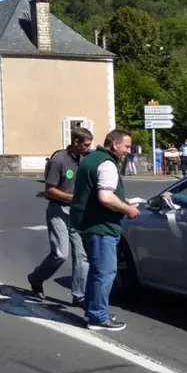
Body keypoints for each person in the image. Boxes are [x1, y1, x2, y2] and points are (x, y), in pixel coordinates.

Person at [70, 129, 140, 331]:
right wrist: (127, 209)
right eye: (126, 146)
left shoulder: (91, 158)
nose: (128, 151)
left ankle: (92, 310)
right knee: (105, 272)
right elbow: (105, 197)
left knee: (96, 270)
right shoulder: (107, 164)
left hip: (85, 222)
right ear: (114, 145)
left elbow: (94, 192)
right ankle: (98, 316)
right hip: (100, 225)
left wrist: (121, 201)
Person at [28, 128, 93, 306]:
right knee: (60, 254)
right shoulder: (59, 160)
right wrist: (72, 198)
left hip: (77, 213)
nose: (89, 148)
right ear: (76, 142)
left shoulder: (85, 159)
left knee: (82, 255)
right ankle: (36, 278)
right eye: (86, 145)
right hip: (58, 211)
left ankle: (79, 296)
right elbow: (50, 189)